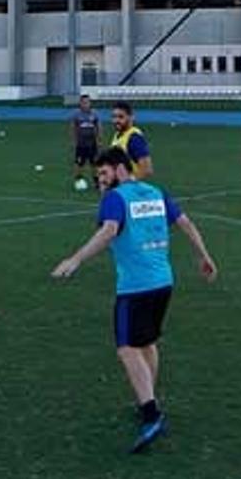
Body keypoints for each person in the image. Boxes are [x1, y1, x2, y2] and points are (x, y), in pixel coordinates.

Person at [51, 148, 219, 452]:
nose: (99, 180)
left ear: (118, 169)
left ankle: (151, 414)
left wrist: (75, 259)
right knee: (147, 343)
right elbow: (186, 223)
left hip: (135, 287)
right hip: (163, 282)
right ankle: (149, 397)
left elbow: (109, 231)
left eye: (103, 173)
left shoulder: (115, 199)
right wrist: (204, 256)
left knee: (127, 349)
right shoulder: (155, 192)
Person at [109, 101, 153, 180]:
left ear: (131, 117)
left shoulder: (134, 138)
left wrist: (128, 183)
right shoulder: (118, 134)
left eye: (121, 117)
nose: (116, 120)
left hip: (129, 188)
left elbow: (147, 170)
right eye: (114, 117)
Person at [68, 94, 102, 187]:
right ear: (80, 103)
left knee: (94, 164)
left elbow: (98, 127)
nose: (85, 104)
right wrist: (73, 141)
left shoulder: (94, 114)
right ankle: (78, 179)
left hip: (92, 143)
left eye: (87, 102)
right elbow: (73, 128)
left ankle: (97, 182)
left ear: (90, 103)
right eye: (83, 102)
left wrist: (99, 140)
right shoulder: (76, 115)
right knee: (79, 163)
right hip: (81, 144)